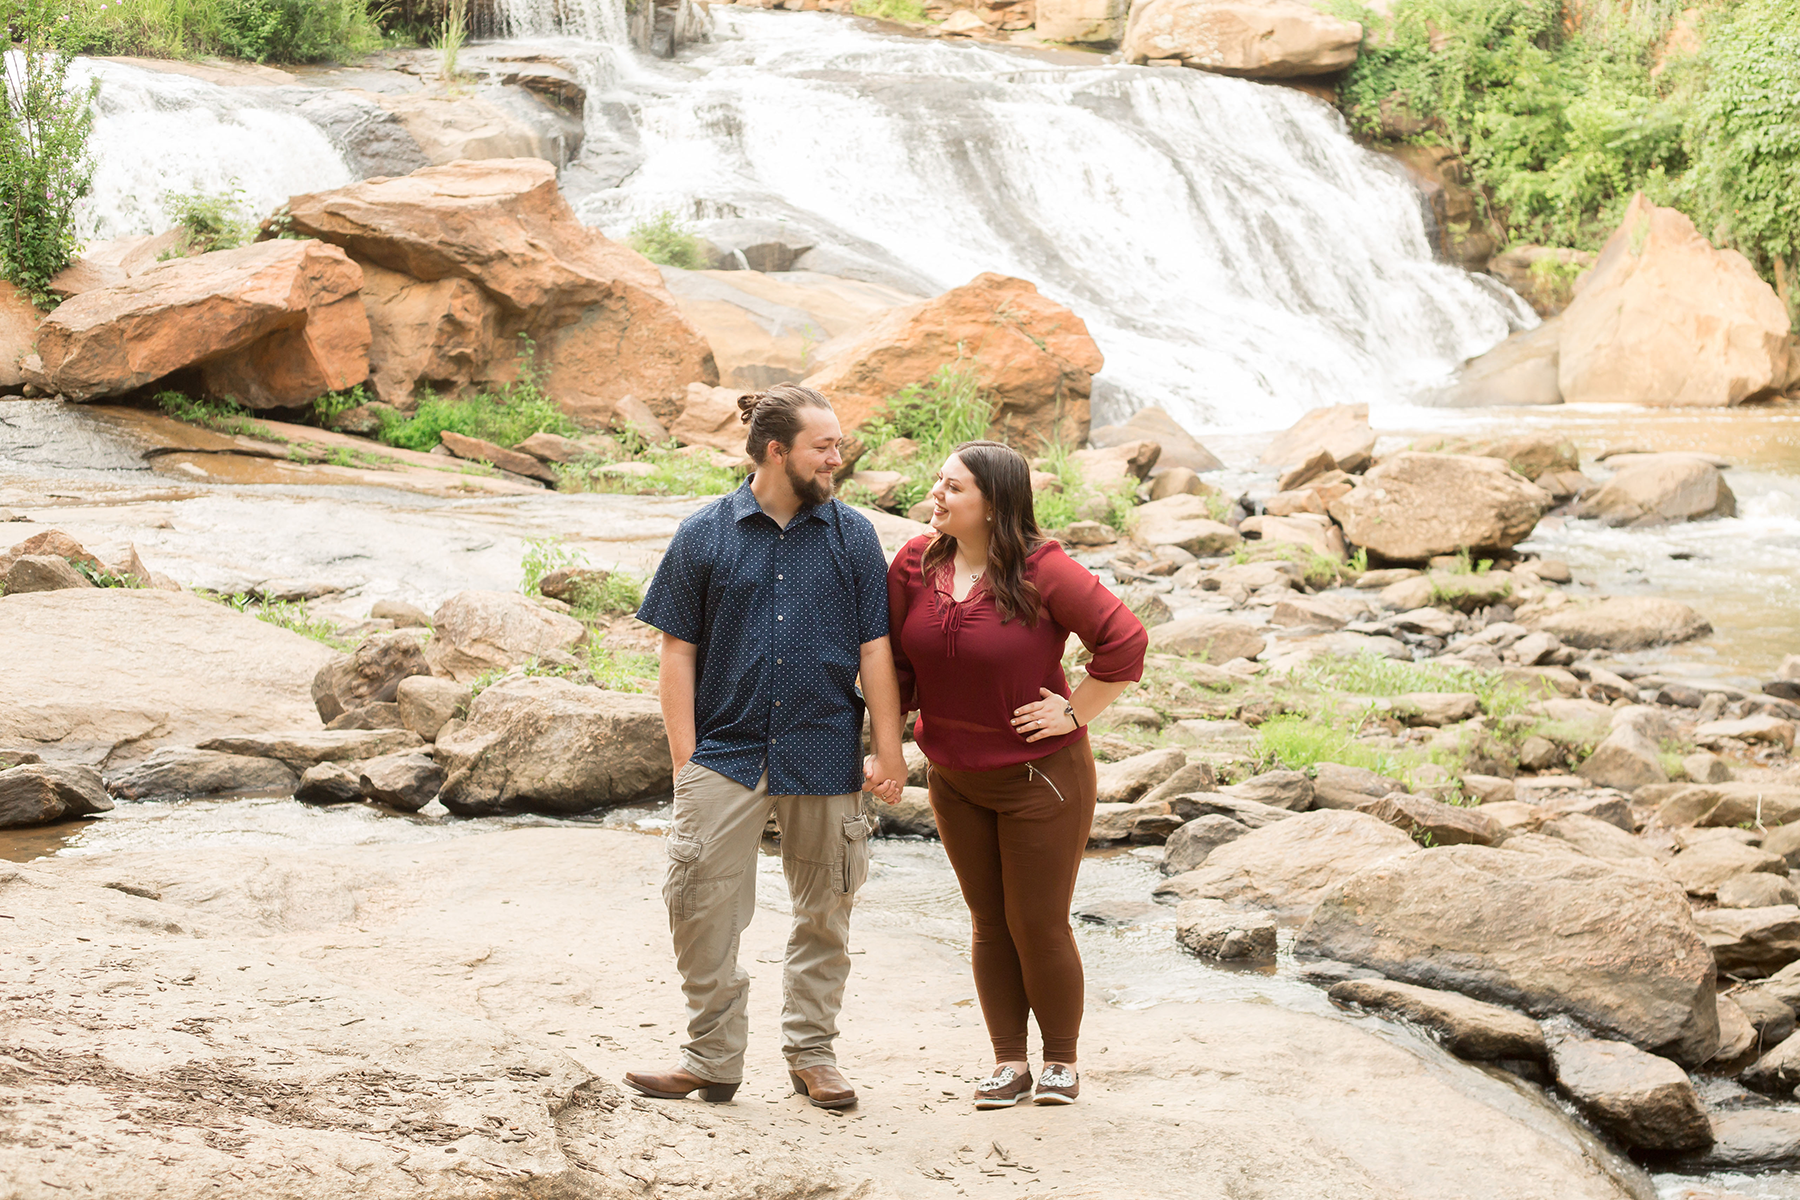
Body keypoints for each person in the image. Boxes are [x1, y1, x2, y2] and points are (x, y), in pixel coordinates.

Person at [627, 383, 907, 1111]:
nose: (838, 458)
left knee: (826, 912)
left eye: (839, 445)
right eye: (825, 446)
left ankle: (813, 1055)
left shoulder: (853, 538)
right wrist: (686, 759)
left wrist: (890, 749)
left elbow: (876, 653)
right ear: (777, 451)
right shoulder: (704, 534)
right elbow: (676, 651)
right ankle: (710, 1057)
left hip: (825, 750)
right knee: (698, 906)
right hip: (724, 751)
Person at [882, 440, 1147, 1109]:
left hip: (1041, 782)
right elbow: (898, 666)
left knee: (1038, 922)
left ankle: (1060, 1061)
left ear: (995, 503)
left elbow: (1125, 641)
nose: (935, 496)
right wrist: (885, 747)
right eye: (937, 482)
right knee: (988, 922)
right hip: (953, 777)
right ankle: (1008, 1062)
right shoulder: (916, 562)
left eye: (953, 488)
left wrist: (1074, 713)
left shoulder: (1044, 569)